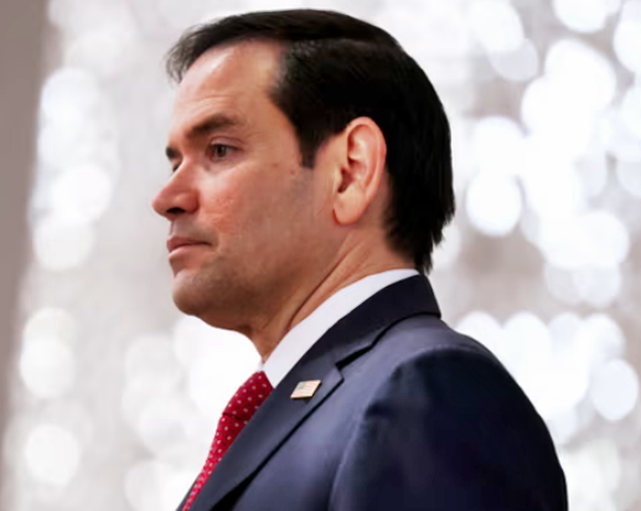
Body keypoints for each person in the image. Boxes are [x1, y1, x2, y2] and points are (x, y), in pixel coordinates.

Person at [152, 9, 567, 511]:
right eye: (175, 162)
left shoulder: (430, 394)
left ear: (351, 172)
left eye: (219, 150)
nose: (167, 198)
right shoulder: (318, 403)